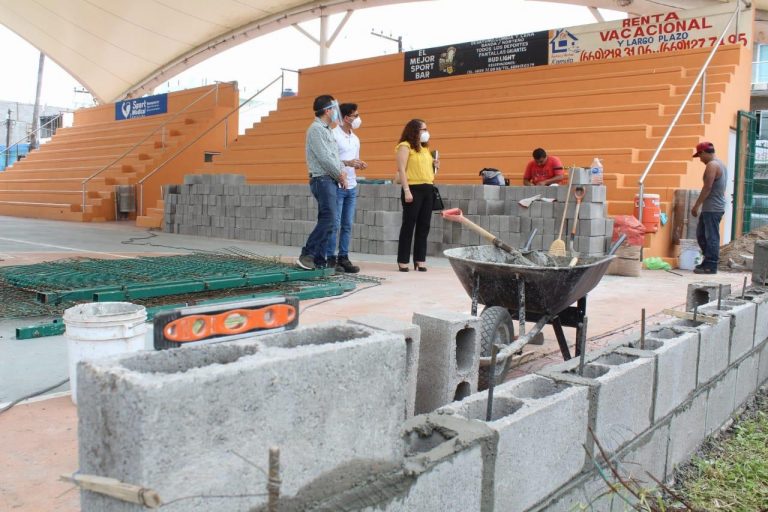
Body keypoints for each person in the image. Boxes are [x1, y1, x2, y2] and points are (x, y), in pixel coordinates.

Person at [296, 94, 347, 270]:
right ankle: (307, 254)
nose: (336, 112)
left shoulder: (326, 130)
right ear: (327, 110)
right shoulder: (316, 130)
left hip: (329, 179)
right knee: (330, 218)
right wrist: (340, 175)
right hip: (322, 179)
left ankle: (319, 260)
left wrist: (341, 172)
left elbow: (335, 155)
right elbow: (325, 158)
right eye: (334, 109)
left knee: (328, 219)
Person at [327, 103, 367, 274]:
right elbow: (329, 159)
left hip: (351, 185)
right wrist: (347, 163)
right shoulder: (333, 135)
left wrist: (358, 164)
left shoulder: (355, 138)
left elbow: (354, 160)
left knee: (347, 224)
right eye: (355, 115)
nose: (357, 119)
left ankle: (344, 256)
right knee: (334, 224)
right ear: (346, 118)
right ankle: (330, 258)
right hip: (337, 184)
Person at [395, 119, 439, 272]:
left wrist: (434, 165)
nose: (426, 132)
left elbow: (425, 169)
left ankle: (420, 259)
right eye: (423, 129)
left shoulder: (425, 149)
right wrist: (406, 190)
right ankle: (403, 260)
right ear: (414, 130)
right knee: (409, 224)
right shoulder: (405, 146)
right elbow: (401, 169)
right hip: (413, 188)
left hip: (428, 187)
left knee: (424, 225)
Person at [690, 141, 727, 275]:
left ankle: (711, 265)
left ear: (703, 153)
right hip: (712, 207)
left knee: (711, 237)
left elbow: (707, 187)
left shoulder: (712, 165)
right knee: (701, 235)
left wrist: (696, 205)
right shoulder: (720, 164)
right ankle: (708, 261)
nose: (700, 160)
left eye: (699, 156)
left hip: (713, 208)